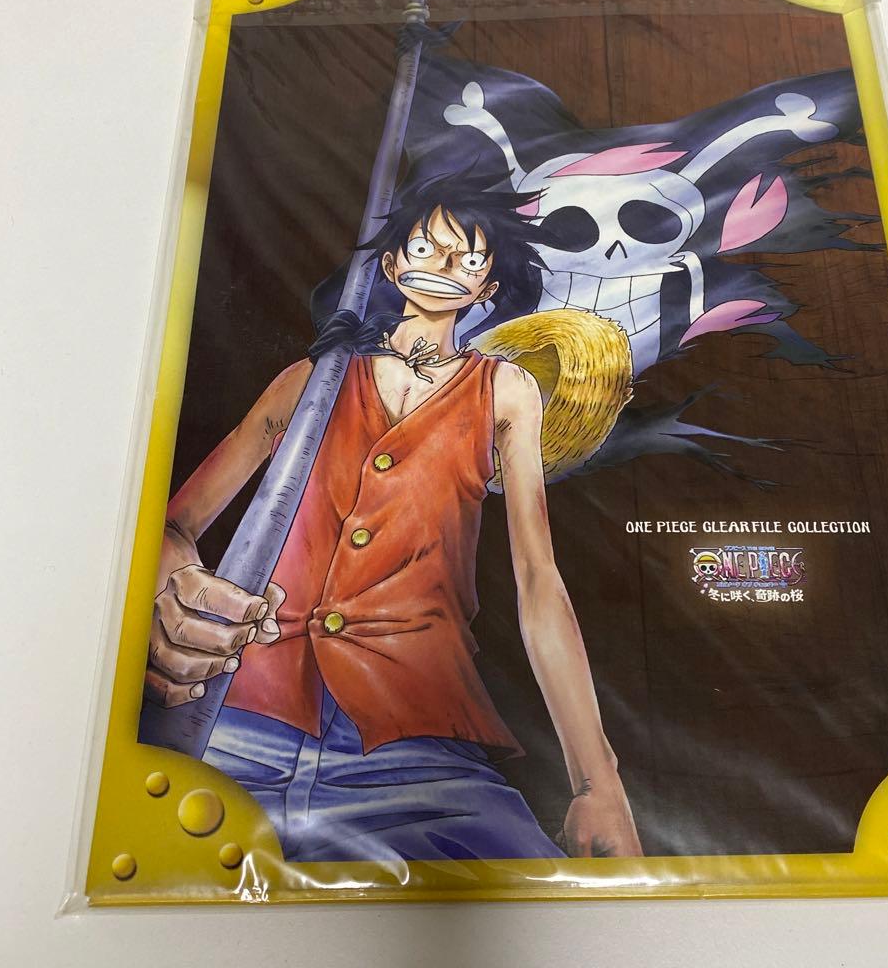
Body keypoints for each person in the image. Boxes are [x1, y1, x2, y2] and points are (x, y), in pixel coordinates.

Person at [143, 173, 643, 863]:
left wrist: (597, 782)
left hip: (417, 754)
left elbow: (538, 579)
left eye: (468, 258)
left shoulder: (505, 391)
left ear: (487, 287)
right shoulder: (312, 380)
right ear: (390, 264)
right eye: (425, 247)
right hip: (236, 723)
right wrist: (173, 592)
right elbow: (172, 528)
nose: (443, 265)